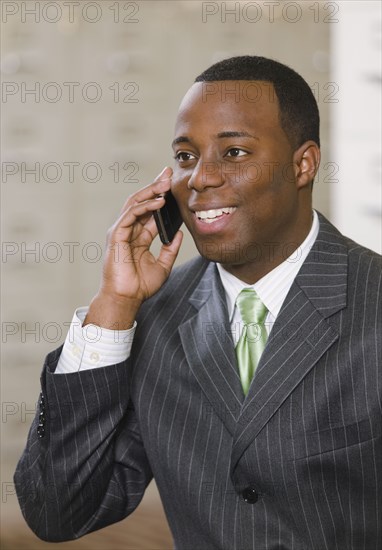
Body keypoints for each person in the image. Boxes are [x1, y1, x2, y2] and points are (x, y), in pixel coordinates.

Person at [14, 56, 381, 549]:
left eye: (233, 152)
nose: (200, 178)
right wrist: (114, 306)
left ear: (302, 164)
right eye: (187, 157)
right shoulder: (154, 318)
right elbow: (59, 511)